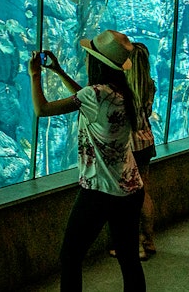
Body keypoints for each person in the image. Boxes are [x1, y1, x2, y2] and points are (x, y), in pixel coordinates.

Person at [29, 29, 145, 292]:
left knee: (70, 257)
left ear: (97, 62)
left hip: (100, 191)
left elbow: (42, 109)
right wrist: (59, 72)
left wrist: (35, 74)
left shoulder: (95, 95)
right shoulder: (121, 92)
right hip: (130, 188)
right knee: (129, 261)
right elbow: (87, 100)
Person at [126, 42, 157, 258]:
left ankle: (135, 246)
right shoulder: (150, 84)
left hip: (129, 146)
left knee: (129, 197)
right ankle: (149, 240)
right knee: (144, 193)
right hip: (147, 142)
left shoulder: (122, 86)